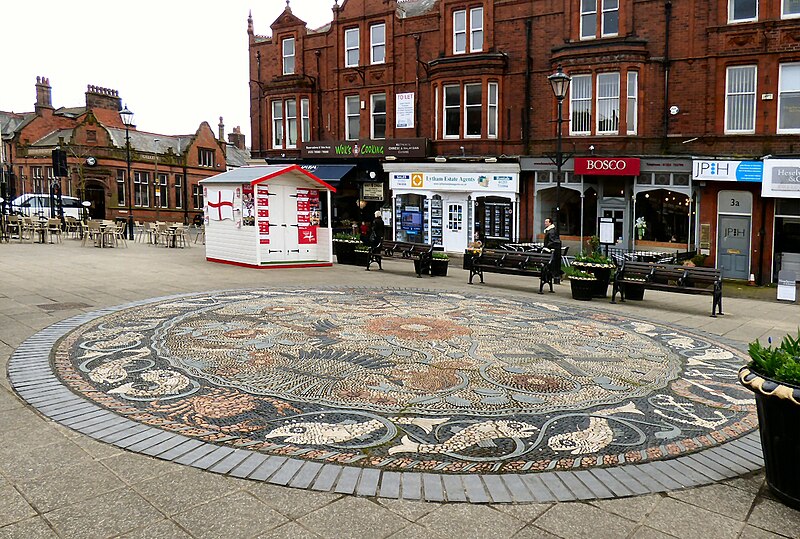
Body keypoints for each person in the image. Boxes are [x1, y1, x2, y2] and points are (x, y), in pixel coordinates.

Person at [543, 218, 563, 283]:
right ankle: (557, 274)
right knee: (554, 265)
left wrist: (546, 247)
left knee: (553, 264)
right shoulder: (550, 230)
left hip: (552, 251)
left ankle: (557, 275)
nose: (545, 223)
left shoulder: (551, 231)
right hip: (553, 250)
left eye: (546, 222)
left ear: (550, 223)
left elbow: (552, 241)